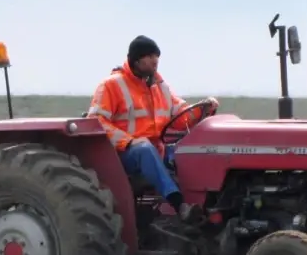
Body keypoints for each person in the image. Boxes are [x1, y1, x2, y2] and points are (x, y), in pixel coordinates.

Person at [86, 35, 218, 223]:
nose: (155, 60)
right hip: (123, 155)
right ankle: (178, 204)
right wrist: (128, 141)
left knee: (186, 150)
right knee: (145, 149)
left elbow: (179, 116)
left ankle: (208, 205)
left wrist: (202, 108)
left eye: (157, 56)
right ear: (137, 59)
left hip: (156, 149)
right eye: (150, 56)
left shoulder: (159, 87)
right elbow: (97, 122)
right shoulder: (111, 85)